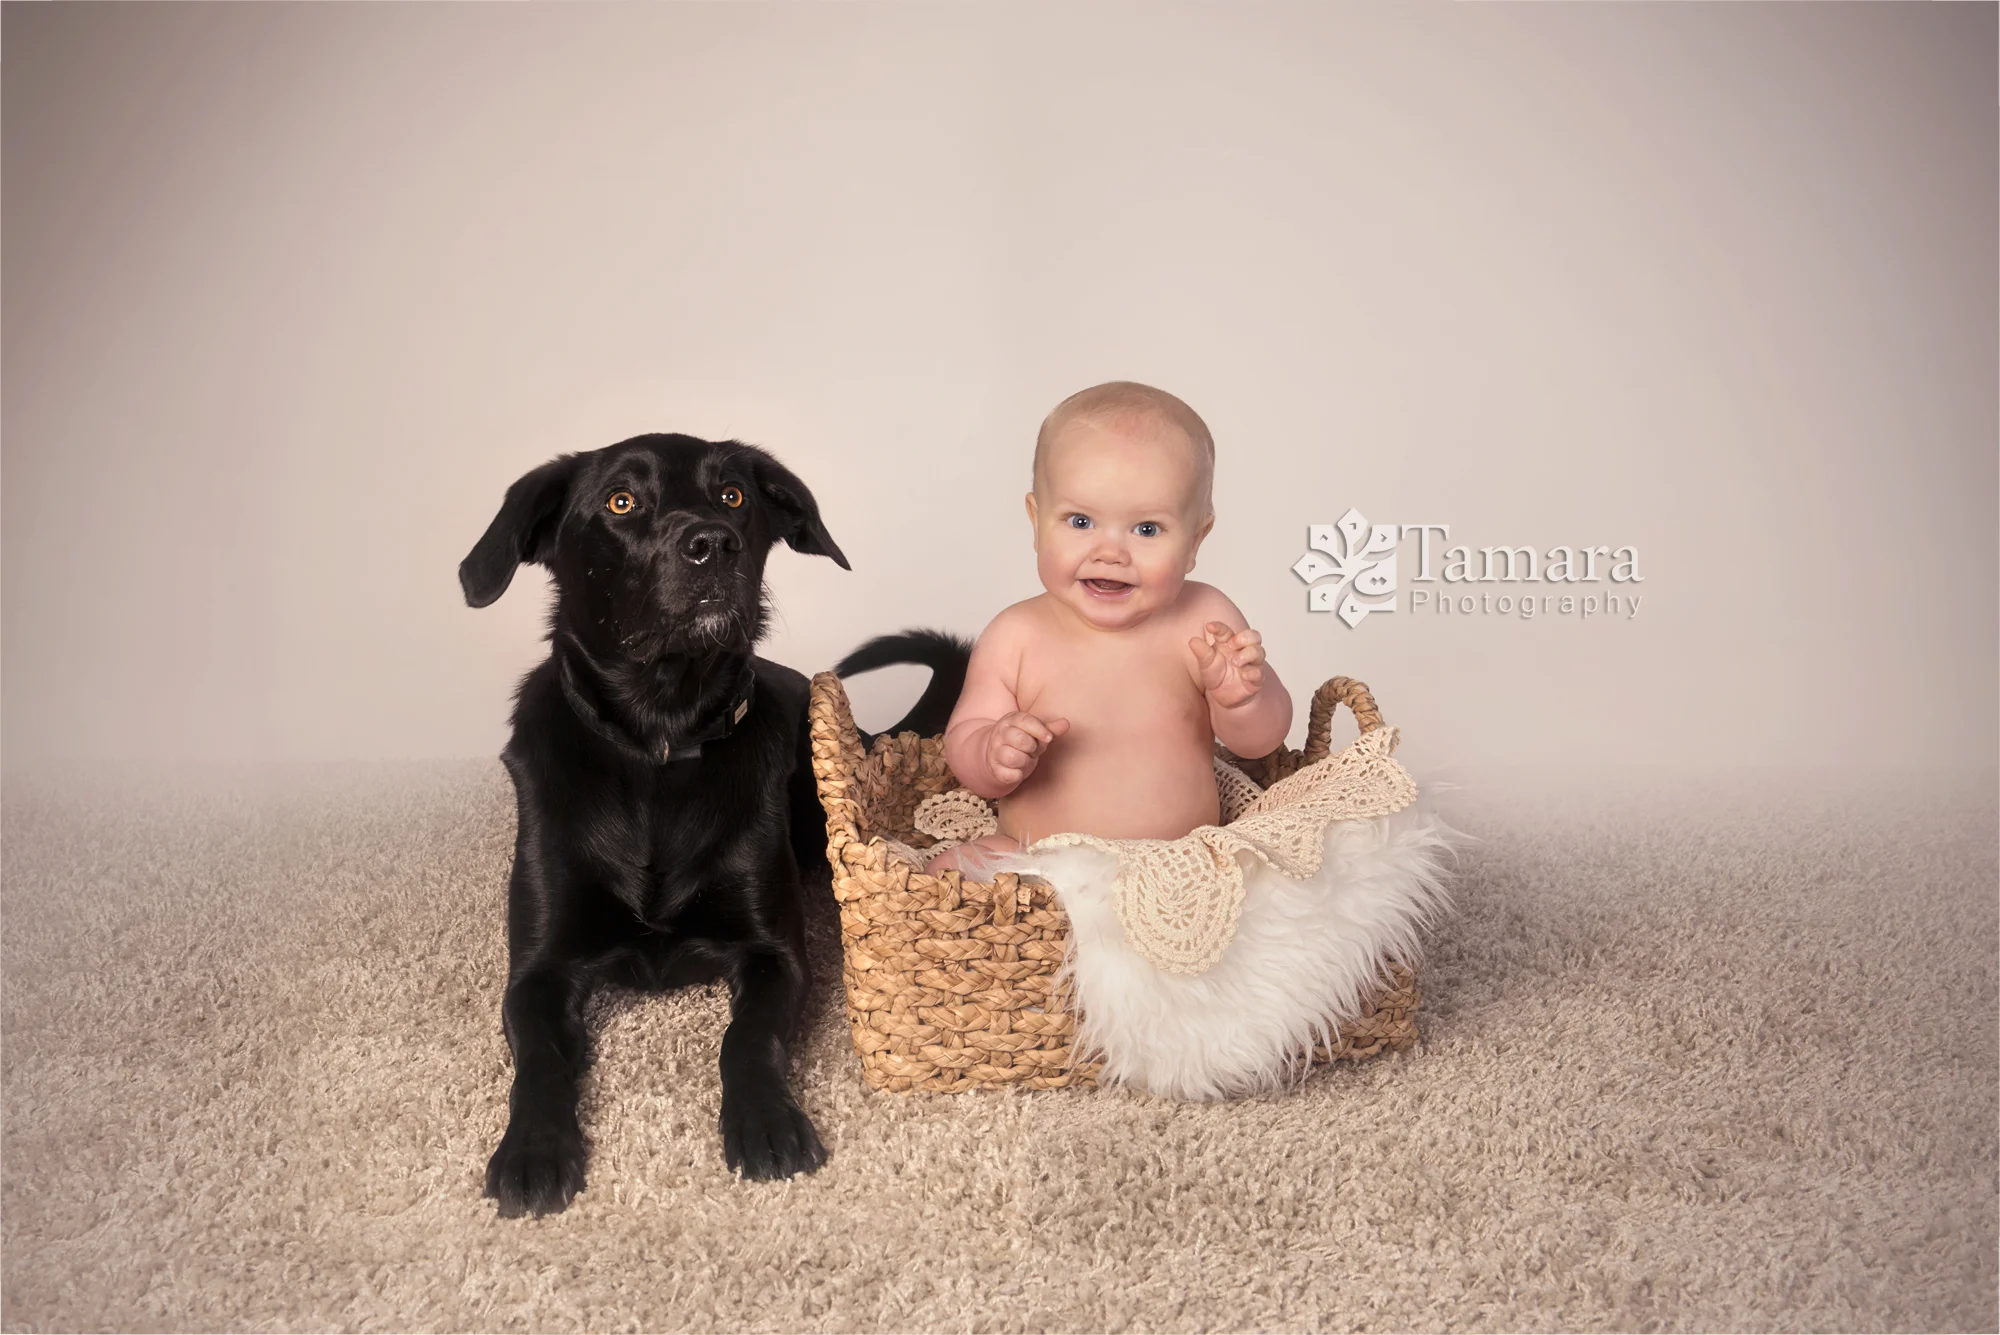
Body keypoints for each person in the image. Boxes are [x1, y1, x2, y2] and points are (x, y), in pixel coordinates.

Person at [925, 381, 1293, 875]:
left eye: (1146, 529)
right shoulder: (1015, 635)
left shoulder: (1205, 620)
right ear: (1036, 521)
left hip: (1180, 861)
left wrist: (1242, 701)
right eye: (1080, 522)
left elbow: (1260, 743)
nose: (1110, 553)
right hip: (1041, 860)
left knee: (1268, 876)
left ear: (1195, 541)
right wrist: (993, 750)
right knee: (950, 873)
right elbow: (966, 741)